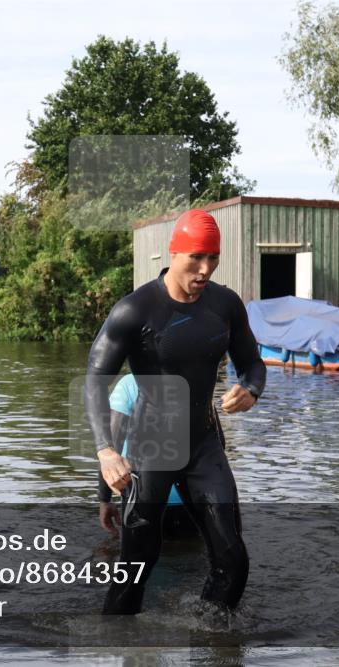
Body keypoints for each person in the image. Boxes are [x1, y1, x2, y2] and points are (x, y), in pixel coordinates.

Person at [84, 208, 266, 615]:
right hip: (153, 445)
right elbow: (94, 380)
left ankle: (210, 638)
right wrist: (105, 451)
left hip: (203, 442)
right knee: (138, 562)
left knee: (233, 558)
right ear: (175, 252)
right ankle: (119, 643)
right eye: (196, 258)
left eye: (213, 258)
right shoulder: (135, 310)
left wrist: (251, 389)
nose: (205, 269)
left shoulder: (226, 305)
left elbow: (252, 363)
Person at [97, 374, 196, 539]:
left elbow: (111, 447)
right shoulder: (196, 380)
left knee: (137, 560)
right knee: (193, 556)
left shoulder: (129, 383)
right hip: (192, 499)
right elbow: (216, 444)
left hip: (142, 498)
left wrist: (104, 500)